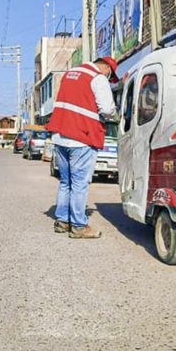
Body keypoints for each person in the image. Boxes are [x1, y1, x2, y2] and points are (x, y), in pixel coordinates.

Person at [45, 56, 119, 238]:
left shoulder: (70, 74)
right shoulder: (98, 78)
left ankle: (62, 221)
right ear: (107, 69)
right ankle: (78, 226)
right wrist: (114, 115)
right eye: (110, 76)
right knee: (79, 184)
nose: (109, 79)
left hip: (60, 136)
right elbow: (107, 109)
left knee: (65, 182)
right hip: (82, 137)